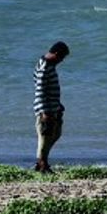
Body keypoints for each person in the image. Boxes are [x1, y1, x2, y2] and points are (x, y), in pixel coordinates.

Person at [33, 41, 69, 172]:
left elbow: (49, 89)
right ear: (56, 54)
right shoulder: (44, 67)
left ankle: (41, 162)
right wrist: (44, 112)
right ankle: (42, 164)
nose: (62, 60)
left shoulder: (49, 65)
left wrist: (58, 106)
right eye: (62, 57)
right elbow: (40, 90)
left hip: (53, 108)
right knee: (45, 136)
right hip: (45, 110)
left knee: (55, 134)